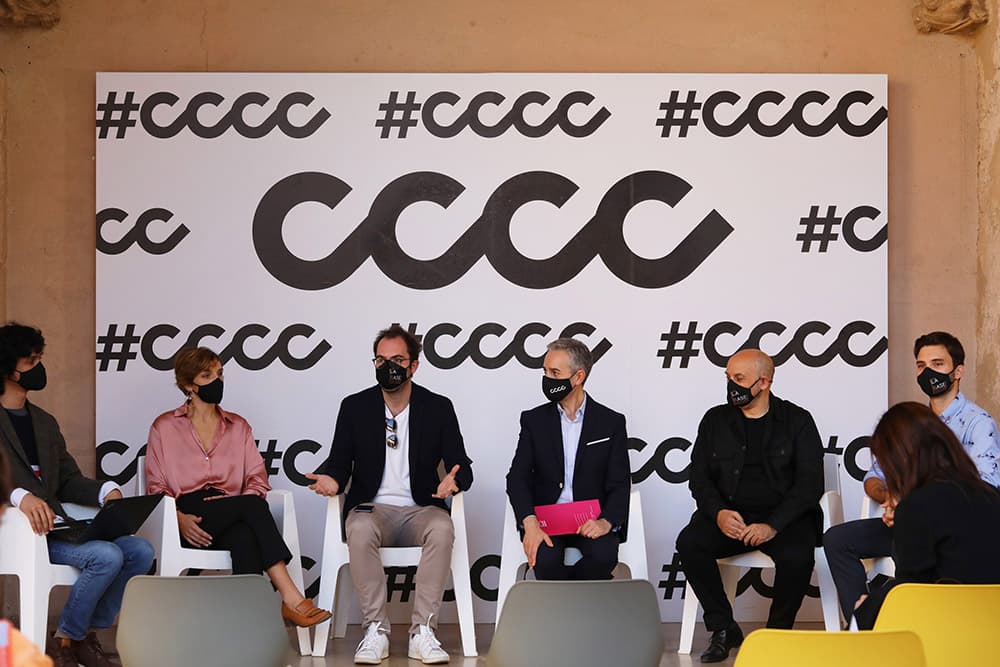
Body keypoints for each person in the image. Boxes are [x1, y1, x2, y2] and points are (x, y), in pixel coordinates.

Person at [307, 325, 473, 665]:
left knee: (442, 528)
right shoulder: (354, 407)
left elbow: (462, 464)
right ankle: (376, 631)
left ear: (414, 366)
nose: (388, 367)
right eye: (381, 360)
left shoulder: (437, 407)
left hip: (420, 508)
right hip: (372, 509)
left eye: (397, 360)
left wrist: (454, 481)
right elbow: (339, 462)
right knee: (359, 527)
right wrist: (333, 481)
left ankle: (423, 632)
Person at [0, 323, 155, 667]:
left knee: (140, 551)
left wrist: (105, 491)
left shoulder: (45, 422)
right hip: (22, 532)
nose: (39, 367)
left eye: (40, 358)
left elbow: (68, 479)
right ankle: (69, 641)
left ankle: (79, 635)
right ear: (8, 369)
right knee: (106, 556)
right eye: (31, 361)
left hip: (59, 528)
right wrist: (19, 496)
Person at [144, 347, 330, 628]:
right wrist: (178, 519)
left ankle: (247, 628)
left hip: (230, 510)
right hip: (188, 515)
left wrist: (241, 509)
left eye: (219, 374)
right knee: (251, 507)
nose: (217, 381)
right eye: (206, 376)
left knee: (245, 535)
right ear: (188, 385)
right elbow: (156, 485)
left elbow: (257, 478)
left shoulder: (238, 426)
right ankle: (292, 598)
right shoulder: (164, 426)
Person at [823, 331, 1000, 624]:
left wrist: (910, 505)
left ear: (958, 371)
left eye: (937, 363)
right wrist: (892, 498)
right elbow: (874, 477)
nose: (928, 372)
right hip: (915, 525)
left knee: (895, 584)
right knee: (839, 539)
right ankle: (859, 622)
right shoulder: (913, 422)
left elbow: (986, 483)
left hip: (949, 534)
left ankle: (866, 620)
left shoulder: (978, 422)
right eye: (921, 365)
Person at [676, 349, 823, 663]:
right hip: (730, 516)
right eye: (728, 377)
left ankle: (776, 636)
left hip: (784, 520)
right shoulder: (714, 420)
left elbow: (809, 486)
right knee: (689, 543)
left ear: (764, 382)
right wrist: (719, 514)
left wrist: (773, 525)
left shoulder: (798, 421)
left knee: (797, 556)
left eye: (739, 378)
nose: (732, 385)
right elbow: (699, 478)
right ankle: (723, 627)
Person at [852, 401, 1000, 628]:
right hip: (990, 629)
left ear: (898, 460)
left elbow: (911, 593)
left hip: (948, 631)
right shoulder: (990, 496)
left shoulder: (916, 507)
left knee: (863, 615)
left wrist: (867, 608)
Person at [505, 338, 630, 581]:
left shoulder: (611, 422)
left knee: (604, 555)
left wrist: (605, 522)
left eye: (555, 373)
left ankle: (570, 599)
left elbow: (620, 482)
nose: (547, 379)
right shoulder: (533, 421)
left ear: (578, 376)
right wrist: (530, 523)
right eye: (545, 372)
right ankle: (570, 602)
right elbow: (517, 477)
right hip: (546, 519)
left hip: (592, 519)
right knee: (545, 559)